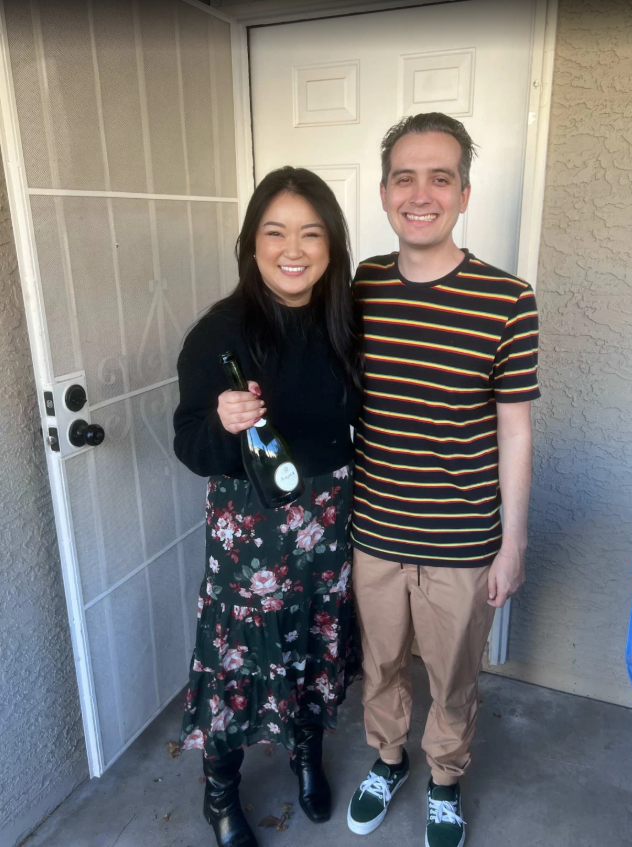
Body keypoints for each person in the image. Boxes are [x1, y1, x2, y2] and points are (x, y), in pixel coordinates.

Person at [346, 113, 540, 847]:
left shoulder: (507, 299)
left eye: (439, 177)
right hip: (376, 529)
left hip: (462, 537)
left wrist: (511, 542)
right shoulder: (363, 283)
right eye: (405, 177)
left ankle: (446, 777)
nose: (420, 193)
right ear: (386, 190)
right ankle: (389, 757)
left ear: (463, 193)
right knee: (382, 662)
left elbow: (514, 427)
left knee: (452, 676)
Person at [173, 167, 362, 847]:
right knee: (237, 663)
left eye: (310, 232)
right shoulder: (219, 333)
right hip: (250, 534)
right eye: (274, 231)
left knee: (315, 646)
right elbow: (188, 442)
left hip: (328, 527)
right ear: (251, 244)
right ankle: (220, 794)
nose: (293, 247)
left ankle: (307, 754)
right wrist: (221, 421)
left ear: (331, 245)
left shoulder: (345, 321)